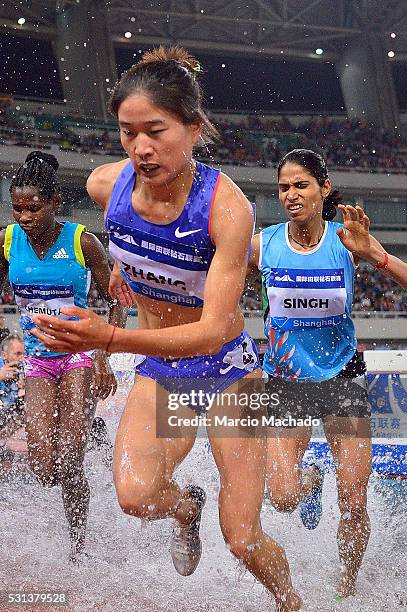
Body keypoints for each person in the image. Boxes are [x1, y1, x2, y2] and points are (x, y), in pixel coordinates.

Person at [32, 47, 301, 611]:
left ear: (194, 129)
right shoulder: (107, 187)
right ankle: (186, 508)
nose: (140, 148)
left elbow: (207, 333)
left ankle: (292, 603)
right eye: (127, 133)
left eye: (155, 131)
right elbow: (124, 250)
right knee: (134, 495)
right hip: (165, 373)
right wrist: (124, 274)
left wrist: (108, 339)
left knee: (243, 538)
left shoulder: (226, 209)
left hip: (224, 374)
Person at [248, 149, 372, 600]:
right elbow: (211, 269)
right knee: (281, 497)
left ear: (324, 188)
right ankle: (311, 479)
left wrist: (371, 249)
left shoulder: (348, 240)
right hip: (287, 382)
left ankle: (348, 581)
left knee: (355, 502)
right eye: (284, 187)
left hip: (342, 379)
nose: (291, 194)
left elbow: (390, 266)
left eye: (301, 185)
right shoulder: (262, 245)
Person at [0, 150, 125, 561]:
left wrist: (106, 353)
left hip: (79, 355)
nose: (24, 216)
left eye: (33, 208)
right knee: (45, 470)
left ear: (54, 202)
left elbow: (116, 299)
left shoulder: (81, 240)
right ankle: (89, 451)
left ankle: (79, 546)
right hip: (37, 359)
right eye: (17, 208)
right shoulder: (6, 241)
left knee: (70, 457)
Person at [0, 334, 25, 478]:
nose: (21, 358)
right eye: (17, 354)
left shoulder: (21, 370)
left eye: (23, 354)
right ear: (4, 354)